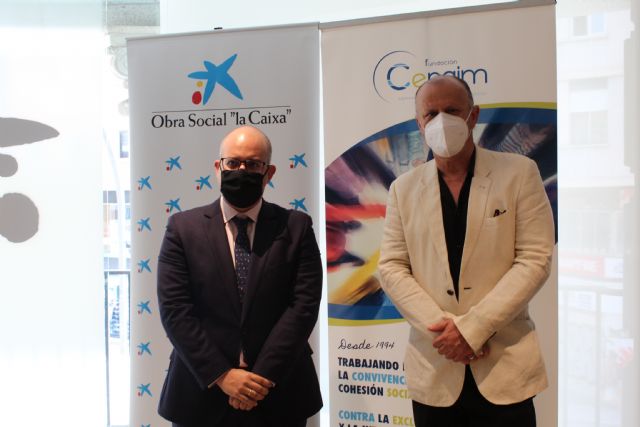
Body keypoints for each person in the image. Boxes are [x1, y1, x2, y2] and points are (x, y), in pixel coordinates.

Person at [378, 76, 555, 427]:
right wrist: (445, 334)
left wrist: (473, 329)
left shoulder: (519, 173)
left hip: (505, 369)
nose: (441, 121)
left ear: (473, 116)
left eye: (452, 110)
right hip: (435, 369)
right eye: (431, 114)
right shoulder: (403, 189)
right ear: (419, 123)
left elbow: (534, 259)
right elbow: (392, 267)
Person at [156, 125, 323, 427]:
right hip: (200, 394)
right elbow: (175, 309)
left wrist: (260, 378)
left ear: (269, 173)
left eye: (253, 164)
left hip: (279, 393)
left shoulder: (297, 227)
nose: (241, 171)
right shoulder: (182, 228)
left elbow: (303, 307)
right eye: (232, 163)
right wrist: (222, 375)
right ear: (218, 168)